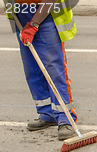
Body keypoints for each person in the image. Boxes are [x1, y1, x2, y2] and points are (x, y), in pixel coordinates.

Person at [6, 0, 78, 140]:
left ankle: (65, 118)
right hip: (22, 16)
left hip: (46, 15)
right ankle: (47, 113)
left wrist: (33, 24)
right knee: (32, 69)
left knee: (54, 70)